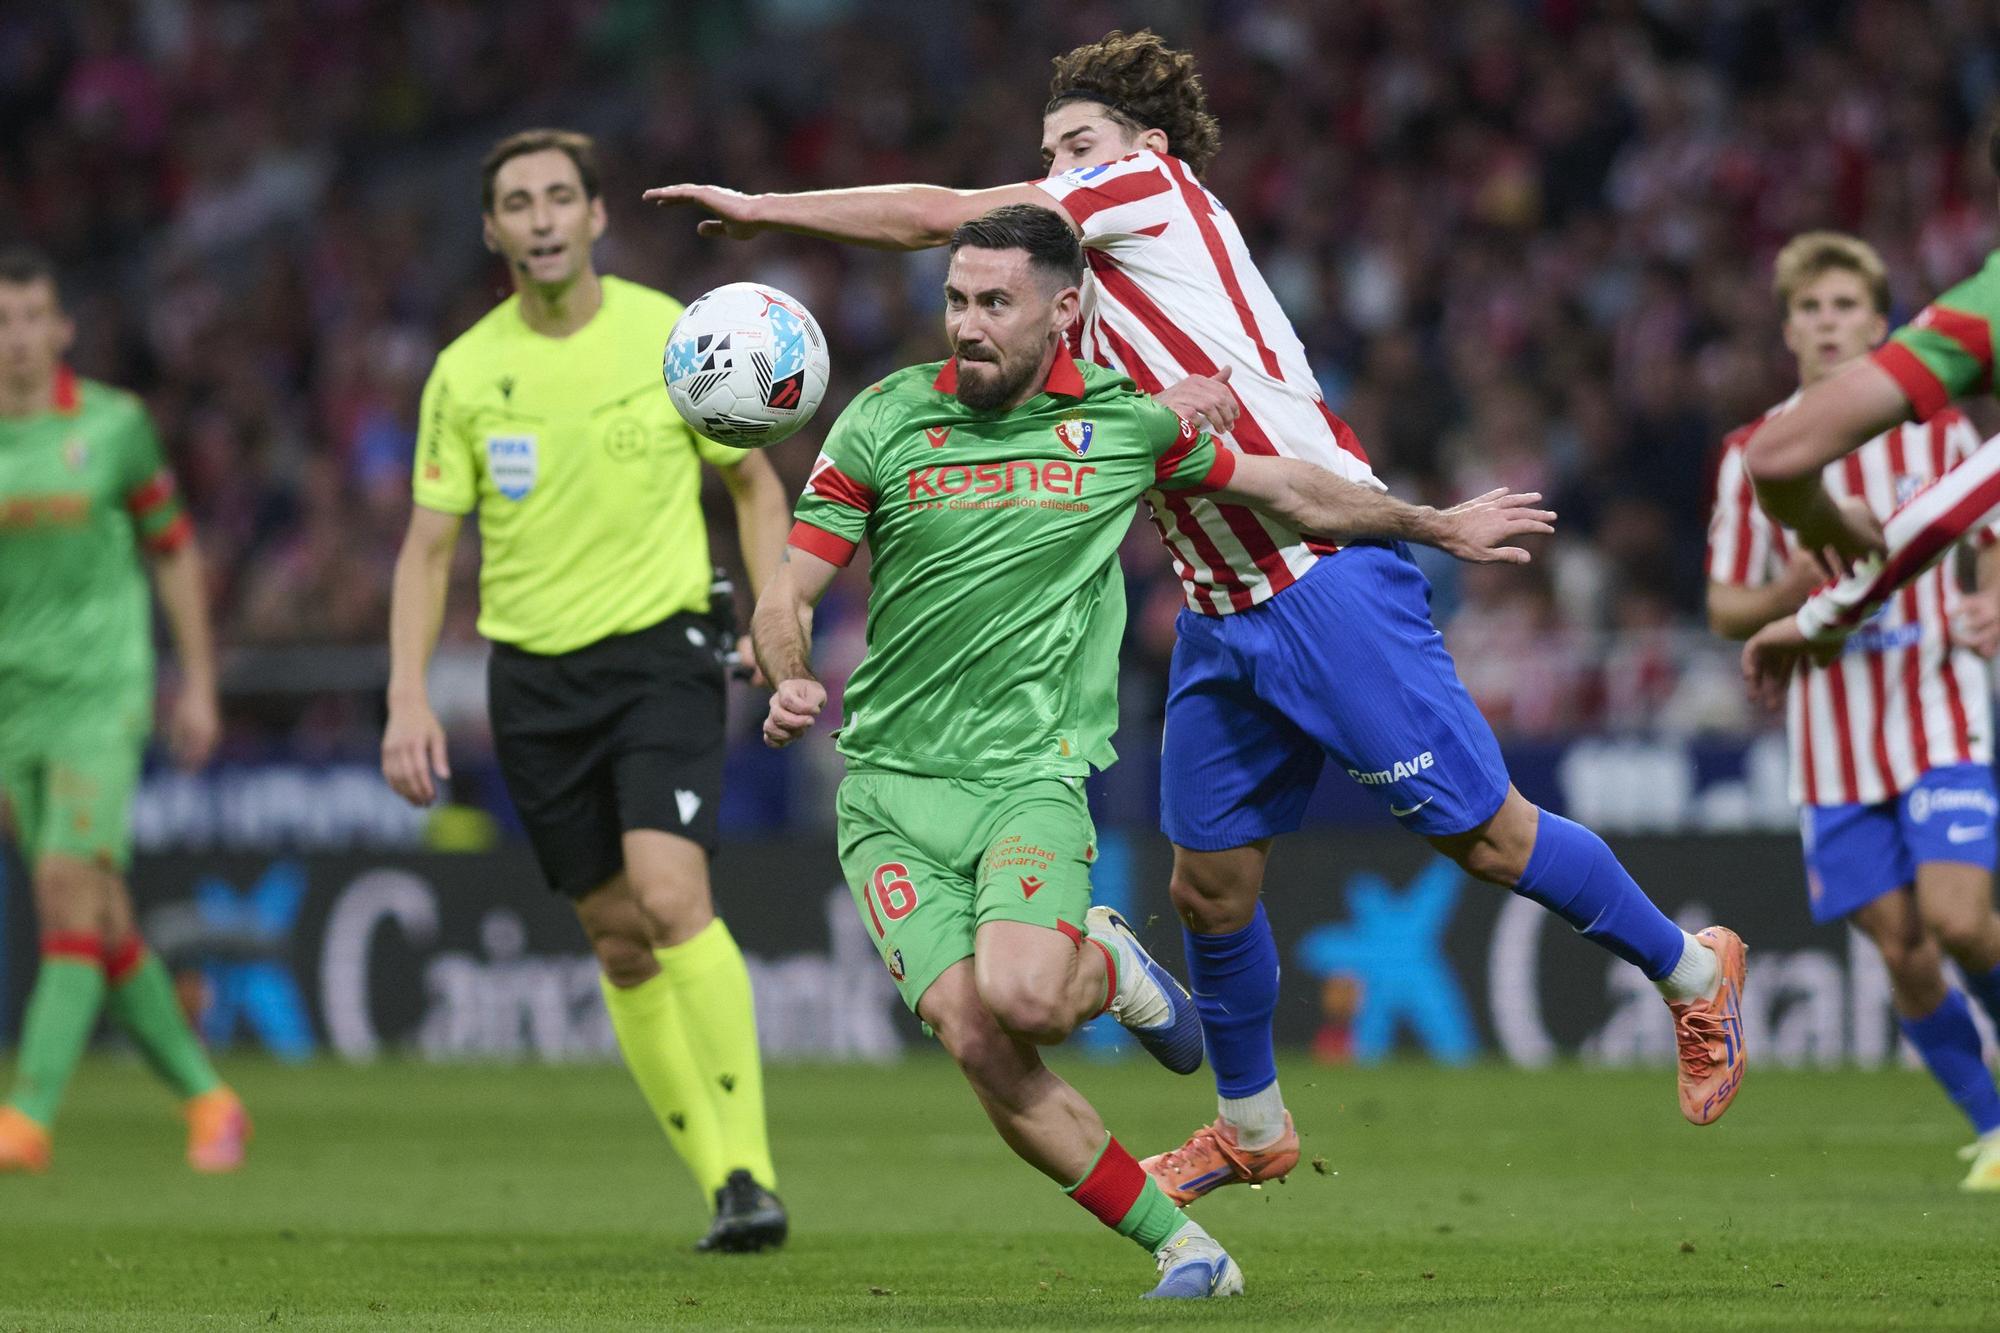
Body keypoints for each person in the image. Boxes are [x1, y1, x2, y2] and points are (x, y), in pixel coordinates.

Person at [651, 28, 1749, 1201]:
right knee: (1206, 886)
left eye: (1077, 142)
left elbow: (950, 217)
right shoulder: (1075, 307)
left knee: (1484, 838)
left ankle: (1691, 971)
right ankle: (1252, 1123)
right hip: (1220, 607)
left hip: (1319, 570)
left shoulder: (1147, 193)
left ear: (1146, 148)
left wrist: (766, 207)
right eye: (1048, 151)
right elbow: (1078, 406)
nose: (1060, 166)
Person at [753, 202, 1551, 1299]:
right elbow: (786, 589)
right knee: (978, 1040)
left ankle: (1112, 961)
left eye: (995, 302)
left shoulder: (1127, 427)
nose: (967, 325)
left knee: (1027, 1000)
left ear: (1064, 309)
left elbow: (1289, 488)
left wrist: (1432, 523)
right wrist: (790, 669)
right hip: (886, 791)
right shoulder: (883, 419)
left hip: (1026, 778)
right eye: (954, 299)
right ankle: (1185, 1247)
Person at [379, 129, 792, 1250]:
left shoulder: (671, 335)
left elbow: (755, 487)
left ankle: (753, 1164)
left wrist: (770, 607)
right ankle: (723, 1185)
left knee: (669, 897)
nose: (543, 216)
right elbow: (425, 550)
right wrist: (407, 697)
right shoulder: (466, 371)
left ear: (597, 215)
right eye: (519, 202)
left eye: (562, 196)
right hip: (531, 681)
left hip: (660, 654)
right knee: (615, 939)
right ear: (493, 230)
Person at [1709, 233, 2000, 1192]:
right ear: (1789, 327)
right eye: (1812, 308)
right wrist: (1788, 587)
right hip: (1832, 743)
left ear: (1882, 325)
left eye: (1847, 307)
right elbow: (1724, 608)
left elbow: (1988, 536)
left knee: (1961, 922)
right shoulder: (1756, 455)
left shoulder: (1942, 431)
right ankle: (1994, 1131)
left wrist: (1993, 592)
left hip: (1937, 706)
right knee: (1902, 946)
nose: (1829, 322)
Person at [0, 246, 248, 1174]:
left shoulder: (114, 427)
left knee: (64, 891)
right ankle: (210, 1099)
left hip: (101, 696)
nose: (16, 338)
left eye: (31, 318)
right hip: (9, 705)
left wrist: (200, 682)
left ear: (62, 329)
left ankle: (25, 1117)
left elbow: (176, 550)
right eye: (1, 320)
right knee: (96, 913)